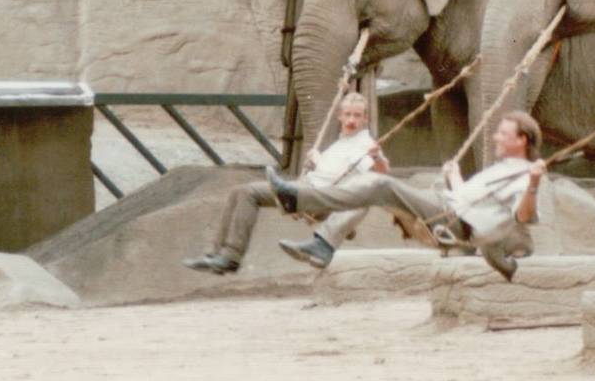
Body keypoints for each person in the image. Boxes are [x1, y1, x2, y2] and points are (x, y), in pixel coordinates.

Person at [272, 111, 546, 279]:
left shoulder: (523, 174)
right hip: (447, 212)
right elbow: (470, 201)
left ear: (522, 139)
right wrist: (454, 177)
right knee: (370, 189)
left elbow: (523, 215)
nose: (496, 137)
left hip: (449, 222)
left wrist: (533, 182)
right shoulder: (501, 169)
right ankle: (323, 244)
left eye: (503, 133)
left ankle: (297, 199)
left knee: (381, 185)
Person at [182, 91, 385, 274]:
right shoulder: (340, 142)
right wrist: (317, 160)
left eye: (357, 115)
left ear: (365, 118)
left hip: (320, 196)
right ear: (339, 116)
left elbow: (382, 172)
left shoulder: (365, 144)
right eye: (348, 114)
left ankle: (286, 193)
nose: (351, 120)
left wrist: (377, 158)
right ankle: (224, 256)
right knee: (243, 192)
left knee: (274, 188)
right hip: (308, 185)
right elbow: (332, 171)